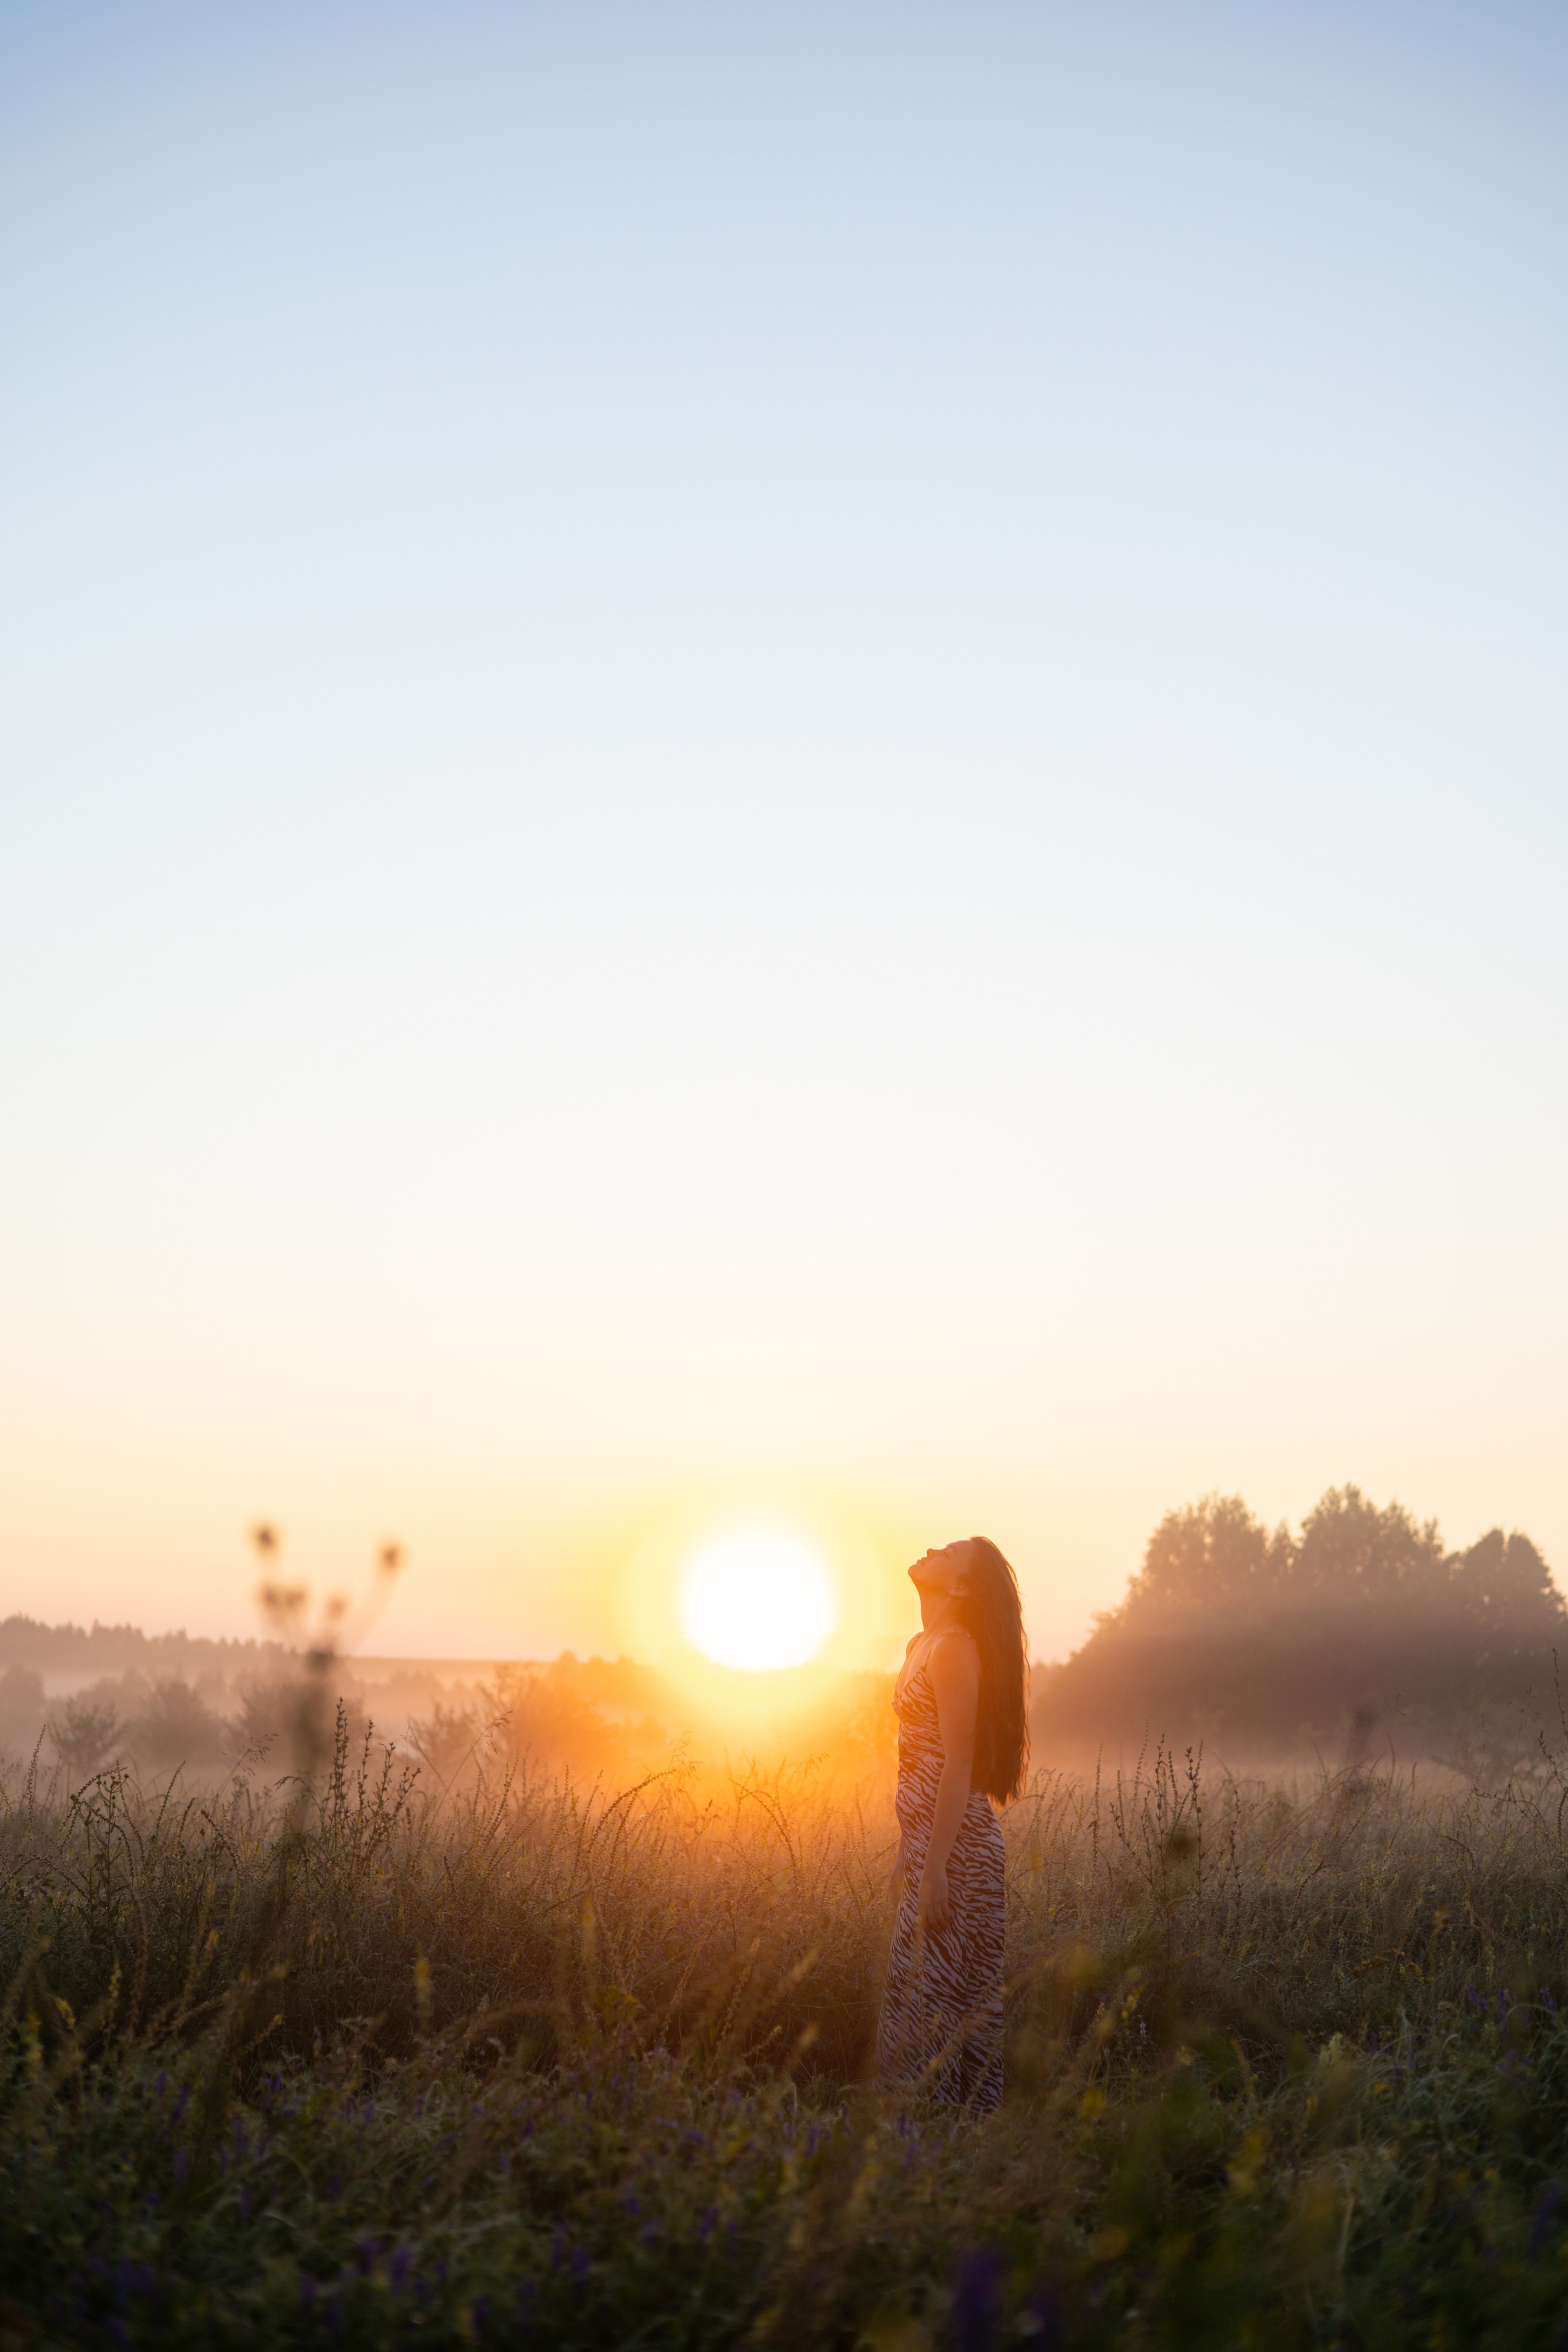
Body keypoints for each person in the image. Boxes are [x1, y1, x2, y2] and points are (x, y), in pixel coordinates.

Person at [875, 1537, 1029, 2111]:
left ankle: (946, 2126)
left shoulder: (955, 1649)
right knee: (915, 1988)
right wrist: (909, 1852)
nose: (930, 1549)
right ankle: (920, 2124)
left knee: (940, 1994)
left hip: (962, 1851)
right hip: (931, 1845)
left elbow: (958, 1764)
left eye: (947, 1552)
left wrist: (937, 1864)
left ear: (960, 1586)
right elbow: (916, 1759)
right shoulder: (921, 1644)